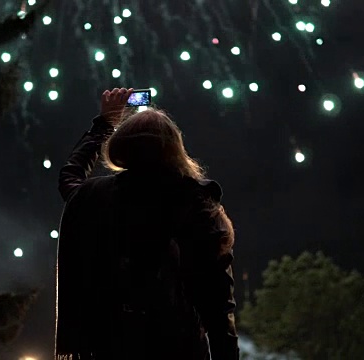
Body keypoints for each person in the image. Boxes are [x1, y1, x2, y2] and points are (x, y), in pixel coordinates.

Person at [54, 88, 239, 360]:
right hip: (175, 349)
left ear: (121, 146)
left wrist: (104, 123)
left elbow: (70, 175)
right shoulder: (194, 200)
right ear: (174, 147)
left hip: (105, 348)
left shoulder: (92, 197)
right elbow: (217, 304)